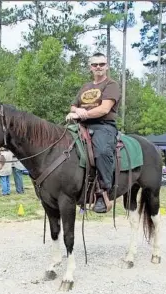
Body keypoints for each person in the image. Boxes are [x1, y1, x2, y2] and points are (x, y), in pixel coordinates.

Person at [66, 52, 121, 213]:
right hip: (81, 125)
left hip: (103, 125)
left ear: (107, 66)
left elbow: (104, 109)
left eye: (102, 64)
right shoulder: (85, 87)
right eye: (95, 64)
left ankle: (103, 192)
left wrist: (83, 113)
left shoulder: (111, 85)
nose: (98, 67)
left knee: (102, 151)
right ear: (90, 67)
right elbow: (73, 106)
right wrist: (77, 112)